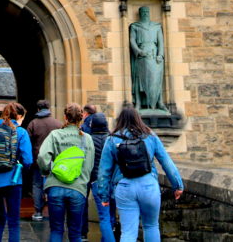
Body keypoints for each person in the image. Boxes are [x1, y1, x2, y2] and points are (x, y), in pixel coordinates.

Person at [96, 107, 183, 242]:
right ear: (138, 118)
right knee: (151, 226)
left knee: (128, 232)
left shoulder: (112, 139)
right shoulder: (150, 136)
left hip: (124, 187)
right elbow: (166, 162)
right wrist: (177, 185)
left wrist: (104, 195)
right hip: (149, 186)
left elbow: (104, 171)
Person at [36, 104, 95, 242]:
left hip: (55, 186)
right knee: (75, 232)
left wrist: (46, 172)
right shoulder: (87, 138)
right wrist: (81, 181)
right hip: (77, 188)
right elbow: (89, 166)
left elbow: (42, 157)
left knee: (56, 230)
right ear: (81, 118)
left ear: (65, 117)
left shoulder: (55, 135)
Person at [0, 102, 33, 242]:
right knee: (13, 222)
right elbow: (28, 160)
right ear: (19, 116)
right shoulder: (21, 132)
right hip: (12, 180)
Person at [27, 99, 62, 221]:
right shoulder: (58, 123)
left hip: (38, 161)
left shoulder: (33, 124)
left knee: (37, 186)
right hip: (54, 160)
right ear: (49, 109)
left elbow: (28, 144)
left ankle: (38, 212)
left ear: (38, 109)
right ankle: (54, 212)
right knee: (53, 185)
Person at [82, 113, 115, 242]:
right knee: (111, 215)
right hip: (112, 181)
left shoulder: (88, 139)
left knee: (104, 217)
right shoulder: (111, 139)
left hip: (96, 180)